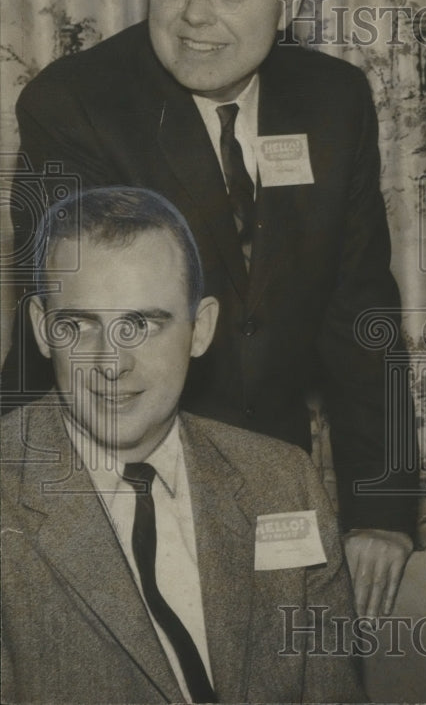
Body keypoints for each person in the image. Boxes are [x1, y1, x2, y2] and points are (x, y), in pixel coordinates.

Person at [6, 0, 414, 616]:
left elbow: (362, 317)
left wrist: (383, 511)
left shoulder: (334, 103)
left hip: (277, 492)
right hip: (102, 489)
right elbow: (96, 349)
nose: (195, 14)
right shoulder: (74, 108)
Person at [0, 187, 366, 703]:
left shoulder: (283, 481)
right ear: (42, 330)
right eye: (79, 326)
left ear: (202, 329)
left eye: (143, 324)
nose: (112, 363)